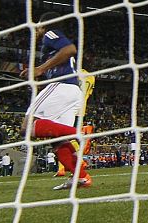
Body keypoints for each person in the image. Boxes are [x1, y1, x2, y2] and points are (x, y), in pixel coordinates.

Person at [20, 12, 92, 189]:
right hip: (72, 90)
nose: (36, 29)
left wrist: (39, 69)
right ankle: (81, 178)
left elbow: (70, 49)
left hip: (63, 86)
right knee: (58, 140)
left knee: (27, 127)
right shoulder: (49, 47)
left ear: (44, 25)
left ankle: (79, 133)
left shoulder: (49, 34)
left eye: (38, 25)